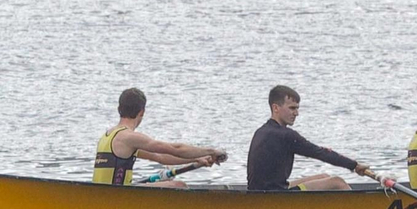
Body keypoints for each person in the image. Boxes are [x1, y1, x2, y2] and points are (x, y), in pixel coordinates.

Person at [94, 87, 227, 188]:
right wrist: (211, 151)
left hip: (105, 195)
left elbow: (160, 157)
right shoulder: (129, 137)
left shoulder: (108, 136)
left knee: (169, 182)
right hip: (117, 198)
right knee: (178, 186)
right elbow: (176, 149)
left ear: (119, 109)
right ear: (142, 112)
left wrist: (197, 158)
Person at [247, 85, 372, 191]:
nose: (296, 113)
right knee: (337, 183)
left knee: (324, 176)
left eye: (297, 108)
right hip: (274, 198)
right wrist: (354, 165)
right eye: (292, 108)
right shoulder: (286, 135)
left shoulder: (261, 131)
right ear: (275, 108)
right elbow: (320, 153)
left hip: (261, 192)